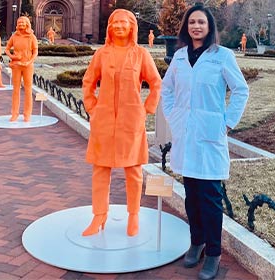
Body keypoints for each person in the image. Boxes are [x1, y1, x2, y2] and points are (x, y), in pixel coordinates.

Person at [161, 3, 249, 279]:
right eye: (191, 23)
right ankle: (196, 242)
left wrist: (227, 122)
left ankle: (213, 253)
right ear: (186, 28)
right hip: (186, 135)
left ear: (209, 27)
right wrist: (174, 118)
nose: (196, 26)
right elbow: (167, 90)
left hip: (210, 134)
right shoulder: (178, 57)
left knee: (210, 198)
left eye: (201, 22)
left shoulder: (222, 56)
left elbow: (240, 89)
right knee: (191, 196)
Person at [82, 9, 161, 237]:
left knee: (133, 170)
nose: (118, 26)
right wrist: (92, 108)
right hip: (103, 120)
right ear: (109, 27)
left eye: (123, 23)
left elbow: (156, 83)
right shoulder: (101, 54)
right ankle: (99, 216)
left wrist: (146, 109)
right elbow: (88, 81)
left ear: (131, 27)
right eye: (115, 22)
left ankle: (134, 215)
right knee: (100, 169)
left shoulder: (141, 54)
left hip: (131, 120)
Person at [5, 16, 38, 122]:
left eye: (23, 23)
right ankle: (14, 113)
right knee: (16, 90)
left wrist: (29, 62)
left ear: (27, 24)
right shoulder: (14, 36)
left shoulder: (32, 37)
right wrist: (13, 57)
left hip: (27, 66)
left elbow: (35, 52)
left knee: (28, 90)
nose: (20, 24)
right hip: (16, 66)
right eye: (19, 23)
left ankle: (27, 114)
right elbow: (6, 49)